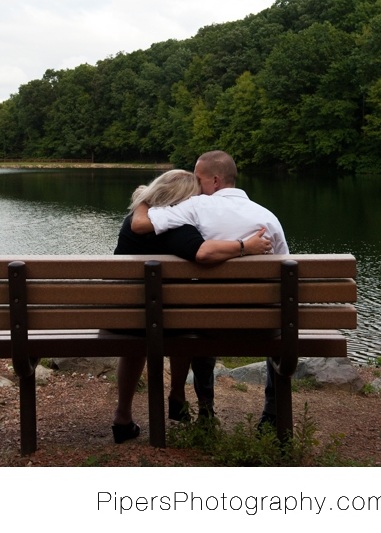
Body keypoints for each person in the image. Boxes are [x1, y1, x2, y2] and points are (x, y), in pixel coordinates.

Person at [111, 168, 273, 444]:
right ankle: (177, 394)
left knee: (142, 338)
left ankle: (122, 416)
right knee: (184, 321)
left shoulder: (132, 222)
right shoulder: (181, 229)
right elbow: (203, 253)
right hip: (171, 320)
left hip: (126, 318)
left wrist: (142, 201)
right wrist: (244, 246)